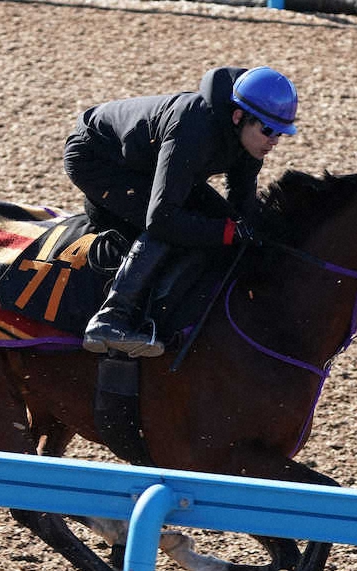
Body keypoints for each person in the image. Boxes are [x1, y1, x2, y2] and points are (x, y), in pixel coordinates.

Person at [64, 65, 298, 358]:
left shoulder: (249, 144)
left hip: (143, 162)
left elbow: (242, 209)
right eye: (268, 130)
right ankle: (110, 318)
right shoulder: (193, 128)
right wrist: (226, 232)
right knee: (176, 224)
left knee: (221, 224)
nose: (273, 141)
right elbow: (161, 219)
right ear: (238, 117)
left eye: (281, 133)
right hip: (96, 159)